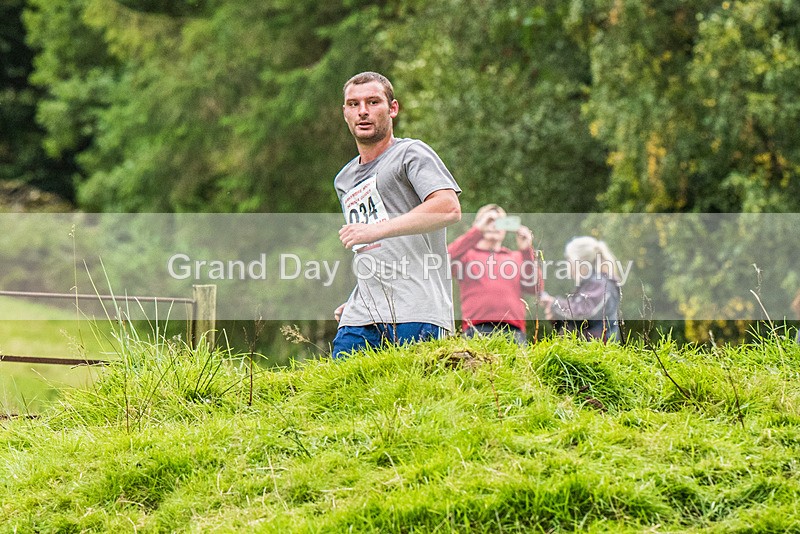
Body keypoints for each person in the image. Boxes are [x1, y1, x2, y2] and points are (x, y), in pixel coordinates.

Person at [331, 71, 461, 358]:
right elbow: (371, 247)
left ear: (393, 109)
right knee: (344, 399)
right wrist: (359, 296)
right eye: (353, 104)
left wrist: (377, 229)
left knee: (414, 400)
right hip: (362, 316)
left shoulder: (410, 154)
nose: (362, 111)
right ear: (345, 113)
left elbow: (448, 207)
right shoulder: (344, 179)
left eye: (373, 102)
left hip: (417, 310)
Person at [447, 204, 543, 344]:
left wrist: (526, 251)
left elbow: (536, 287)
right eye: (488, 221)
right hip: (476, 328)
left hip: (513, 331)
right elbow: (446, 258)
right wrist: (477, 231)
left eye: (499, 222)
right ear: (477, 225)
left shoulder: (516, 257)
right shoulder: (467, 256)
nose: (494, 226)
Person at [539, 236, 622, 342]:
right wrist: (557, 319)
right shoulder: (590, 284)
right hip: (591, 352)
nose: (567, 265)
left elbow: (585, 313)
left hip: (601, 354)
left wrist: (555, 305)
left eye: (569, 260)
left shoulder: (601, 283)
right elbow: (580, 325)